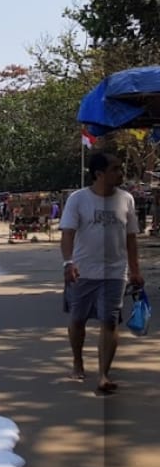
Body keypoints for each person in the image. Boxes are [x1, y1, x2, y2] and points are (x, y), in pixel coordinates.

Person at [60, 151, 144, 395]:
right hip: (82, 271)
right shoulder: (78, 199)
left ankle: (104, 375)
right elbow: (67, 234)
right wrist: (68, 262)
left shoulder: (126, 199)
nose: (121, 173)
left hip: (116, 272)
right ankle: (78, 362)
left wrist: (135, 271)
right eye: (115, 169)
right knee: (78, 320)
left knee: (109, 320)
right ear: (99, 174)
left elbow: (131, 238)